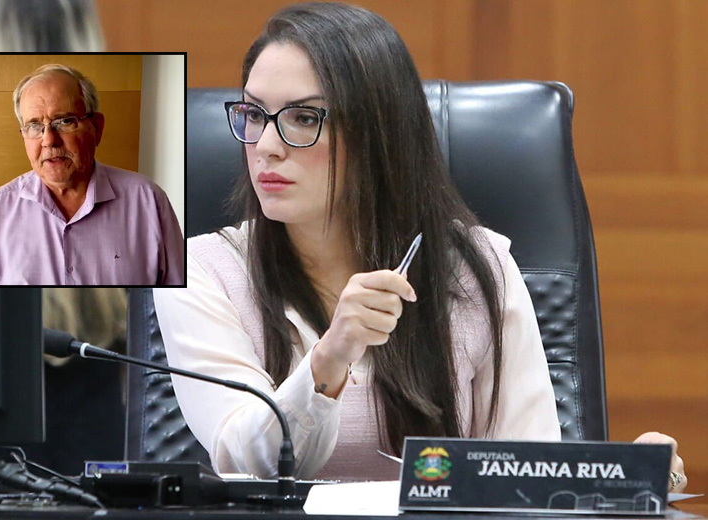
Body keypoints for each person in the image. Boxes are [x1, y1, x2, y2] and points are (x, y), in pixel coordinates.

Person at [153, 2, 687, 490]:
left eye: (304, 118)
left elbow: (525, 470)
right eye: (253, 115)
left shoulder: (477, 268)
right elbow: (247, 463)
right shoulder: (201, 271)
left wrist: (620, 479)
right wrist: (328, 360)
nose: (266, 146)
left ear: (377, 133)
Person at [0, 64, 184, 285]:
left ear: (96, 127)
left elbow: (178, 298)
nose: (49, 140)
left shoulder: (149, 202)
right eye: (34, 126)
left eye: (65, 121)